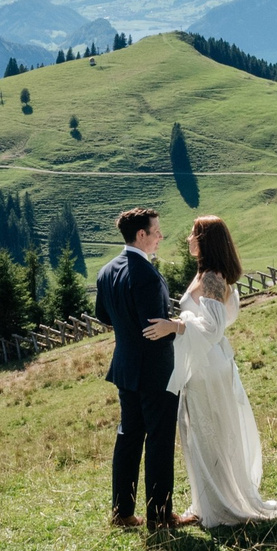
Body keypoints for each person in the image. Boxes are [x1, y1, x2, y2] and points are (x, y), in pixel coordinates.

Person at [169, 215, 277, 526]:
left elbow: (213, 328)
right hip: (205, 364)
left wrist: (177, 326)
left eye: (193, 234)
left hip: (208, 367)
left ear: (205, 240)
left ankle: (222, 503)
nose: (189, 239)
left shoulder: (212, 278)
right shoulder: (206, 275)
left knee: (211, 433)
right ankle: (208, 501)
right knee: (203, 434)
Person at [97, 206, 191, 529]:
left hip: (125, 367)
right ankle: (160, 516)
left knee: (128, 437)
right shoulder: (147, 275)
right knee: (159, 440)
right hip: (154, 372)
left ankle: (122, 513)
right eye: (156, 231)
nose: (161, 236)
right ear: (141, 234)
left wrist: (127, 328)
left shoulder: (106, 271)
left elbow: (103, 315)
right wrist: (180, 329)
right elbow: (155, 328)